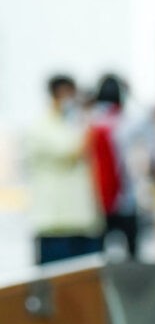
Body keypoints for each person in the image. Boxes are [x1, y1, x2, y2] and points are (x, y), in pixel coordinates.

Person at [25, 74, 102, 264]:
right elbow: (73, 151)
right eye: (69, 94)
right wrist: (88, 119)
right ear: (58, 94)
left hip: (84, 224)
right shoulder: (41, 127)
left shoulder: (72, 124)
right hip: (57, 227)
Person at [88, 74, 141, 259]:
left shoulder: (91, 120)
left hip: (101, 197)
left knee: (99, 256)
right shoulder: (128, 121)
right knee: (132, 253)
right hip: (123, 195)